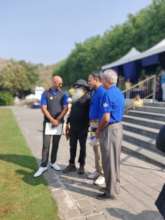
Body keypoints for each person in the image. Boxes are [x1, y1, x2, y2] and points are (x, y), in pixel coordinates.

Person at [96, 69, 125, 200]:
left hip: (110, 129)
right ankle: (113, 186)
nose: (101, 81)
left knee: (108, 161)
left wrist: (98, 129)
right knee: (115, 160)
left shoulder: (107, 94)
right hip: (118, 128)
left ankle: (110, 192)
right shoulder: (119, 92)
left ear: (106, 80)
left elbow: (106, 117)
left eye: (102, 79)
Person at [34, 75, 68, 177]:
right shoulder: (46, 93)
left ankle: (53, 162)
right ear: (54, 82)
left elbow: (65, 108)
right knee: (46, 145)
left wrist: (57, 120)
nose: (61, 84)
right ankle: (43, 165)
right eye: (59, 83)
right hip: (48, 123)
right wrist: (52, 120)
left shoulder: (63, 94)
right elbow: (43, 108)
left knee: (56, 144)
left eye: (61, 83)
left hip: (58, 123)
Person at [63, 79, 90, 175]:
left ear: (83, 88)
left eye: (78, 87)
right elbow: (71, 112)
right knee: (72, 146)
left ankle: (82, 165)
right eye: (75, 87)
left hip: (83, 127)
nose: (76, 88)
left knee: (82, 147)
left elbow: (90, 114)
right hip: (73, 127)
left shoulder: (88, 99)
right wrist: (67, 123)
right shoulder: (74, 98)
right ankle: (71, 164)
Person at [87, 73, 106, 186]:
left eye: (89, 80)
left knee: (100, 149)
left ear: (96, 79)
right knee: (95, 148)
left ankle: (103, 174)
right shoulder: (94, 91)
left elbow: (104, 113)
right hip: (93, 124)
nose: (88, 82)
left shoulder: (102, 92)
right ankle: (98, 170)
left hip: (99, 124)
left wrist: (99, 128)